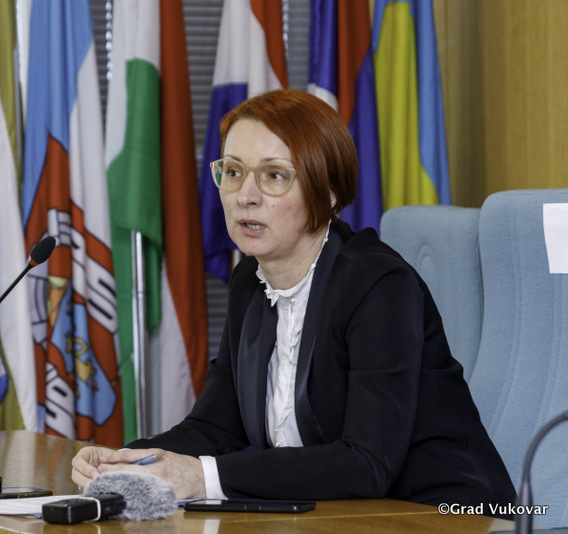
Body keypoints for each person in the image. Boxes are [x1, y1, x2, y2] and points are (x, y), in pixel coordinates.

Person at [71, 89, 516, 513]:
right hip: (337, 517)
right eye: (233, 172)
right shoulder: (250, 280)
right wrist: (126, 461)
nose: (246, 196)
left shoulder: (378, 284)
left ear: (328, 191)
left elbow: (367, 463)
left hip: (447, 514)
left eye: (274, 176)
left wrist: (201, 477)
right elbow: (214, 426)